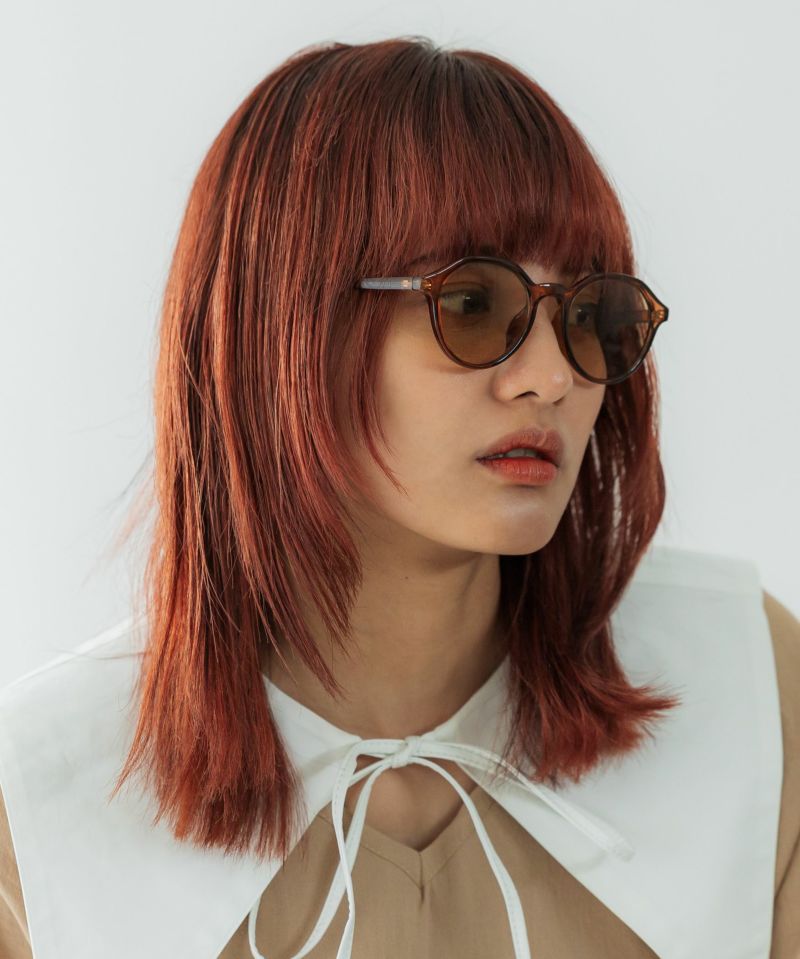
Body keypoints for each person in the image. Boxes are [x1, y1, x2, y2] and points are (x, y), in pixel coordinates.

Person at [1, 36, 798, 959]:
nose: (551, 379)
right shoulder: (45, 815)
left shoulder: (746, 691)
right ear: (283, 329)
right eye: (472, 306)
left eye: (590, 316)